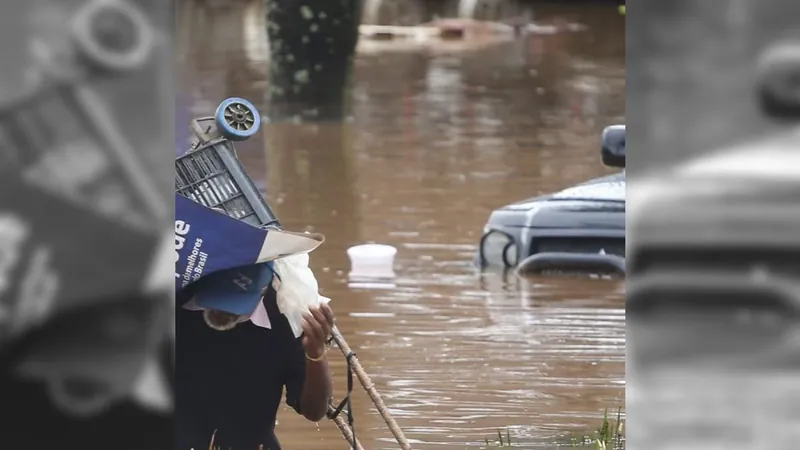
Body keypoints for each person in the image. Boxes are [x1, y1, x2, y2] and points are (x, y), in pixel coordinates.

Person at [176, 278, 335, 450]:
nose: (226, 312)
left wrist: (316, 354)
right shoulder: (175, 302)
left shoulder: (287, 312)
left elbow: (314, 411)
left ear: (263, 289)